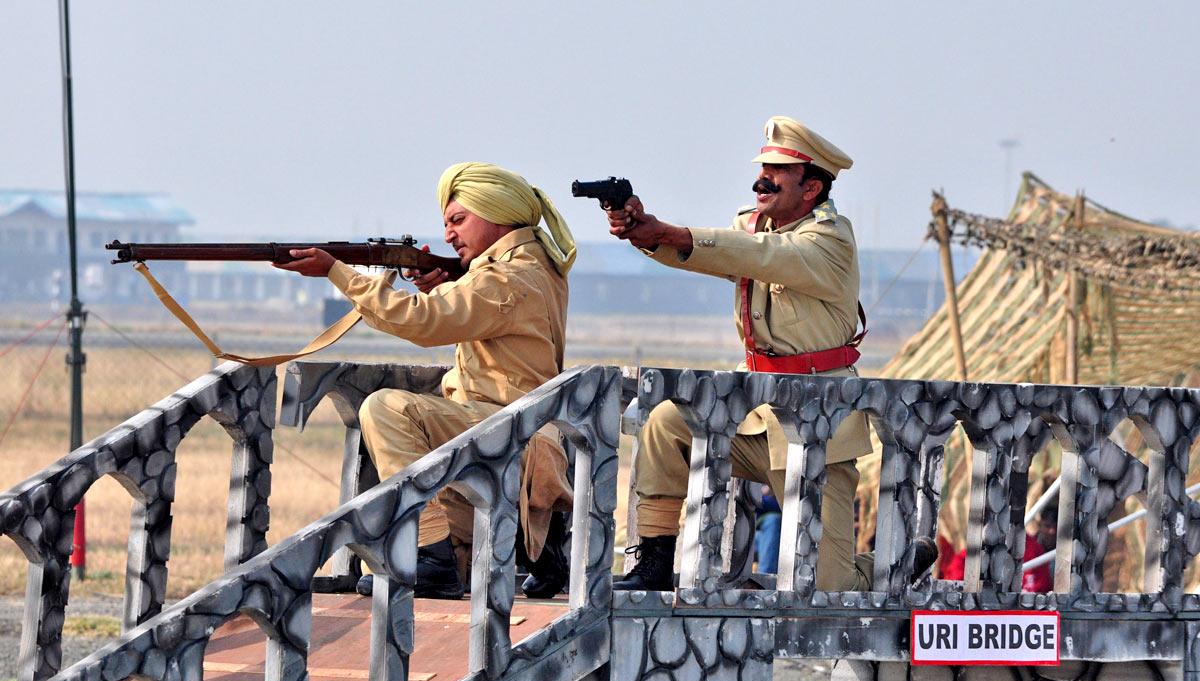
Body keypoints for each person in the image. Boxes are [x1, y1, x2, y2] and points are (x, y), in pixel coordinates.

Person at [603, 116, 936, 591]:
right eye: (763, 167)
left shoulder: (831, 239)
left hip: (818, 421)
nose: (763, 179)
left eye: (778, 172)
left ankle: (894, 567)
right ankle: (653, 561)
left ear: (811, 187)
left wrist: (672, 233)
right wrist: (645, 231)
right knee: (667, 423)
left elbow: (760, 255)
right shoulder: (752, 225)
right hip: (756, 413)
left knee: (830, 588)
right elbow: (720, 251)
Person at [275, 162, 576, 600]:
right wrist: (452, 279)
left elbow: (422, 321)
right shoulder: (529, 267)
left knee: (385, 410)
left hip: (509, 432)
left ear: (498, 215)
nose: (450, 235)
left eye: (458, 220)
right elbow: (473, 309)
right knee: (395, 535)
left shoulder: (507, 277)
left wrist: (337, 272)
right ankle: (513, 547)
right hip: (507, 433)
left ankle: (429, 554)